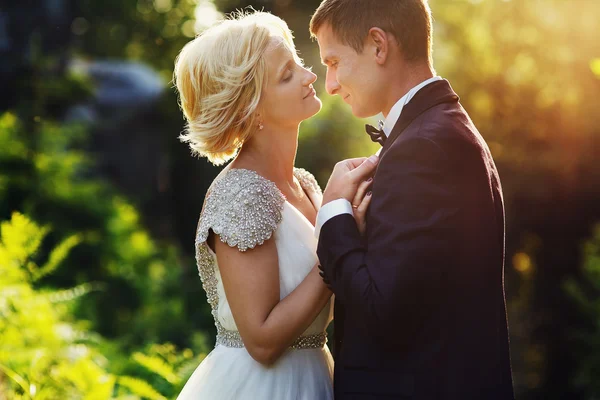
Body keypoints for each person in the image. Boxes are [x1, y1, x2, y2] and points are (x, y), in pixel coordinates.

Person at [310, 0, 515, 399]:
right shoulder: (434, 132)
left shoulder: (425, 147)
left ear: (378, 46)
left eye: (333, 62)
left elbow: (380, 312)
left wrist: (335, 213)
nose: (330, 84)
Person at [172, 10, 375, 400]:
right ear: (252, 110)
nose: (309, 75)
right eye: (287, 75)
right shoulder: (242, 195)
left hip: (318, 375)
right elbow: (262, 342)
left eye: (298, 63)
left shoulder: (305, 183)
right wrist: (340, 243)